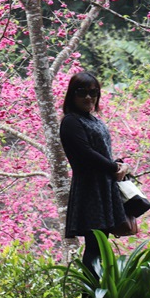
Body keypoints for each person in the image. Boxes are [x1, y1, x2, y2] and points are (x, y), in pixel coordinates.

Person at [59, 71, 131, 280]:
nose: (88, 97)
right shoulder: (71, 121)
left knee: (100, 245)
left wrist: (118, 165)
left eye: (93, 92)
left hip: (104, 187)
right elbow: (85, 153)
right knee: (94, 245)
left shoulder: (93, 120)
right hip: (90, 189)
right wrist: (113, 167)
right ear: (72, 94)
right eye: (82, 92)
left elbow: (101, 152)